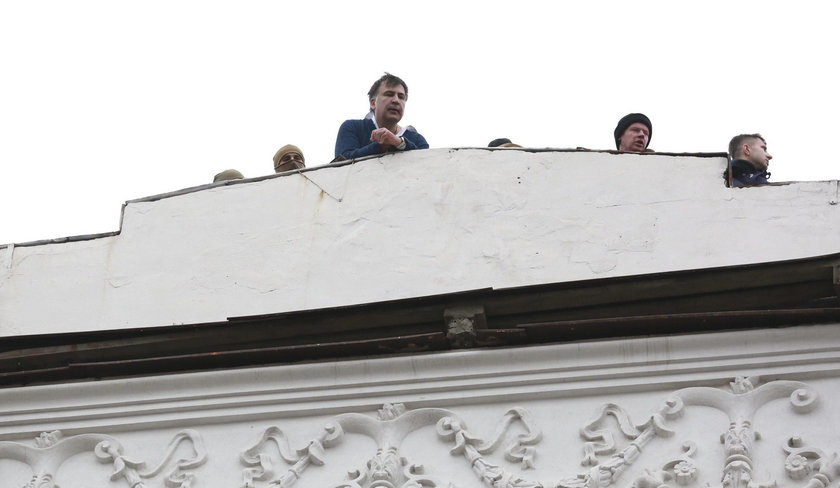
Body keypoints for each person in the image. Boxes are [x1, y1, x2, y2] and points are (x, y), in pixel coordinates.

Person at [334, 73, 429, 160]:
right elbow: (342, 160)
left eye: (401, 97)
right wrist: (380, 146)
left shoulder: (417, 139)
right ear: (373, 103)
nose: (396, 100)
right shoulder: (352, 127)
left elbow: (425, 164)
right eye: (389, 94)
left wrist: (400, 143)